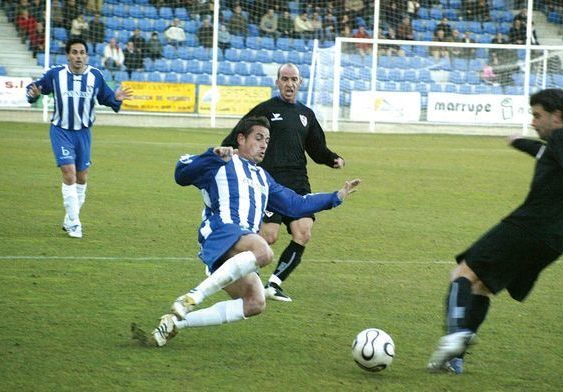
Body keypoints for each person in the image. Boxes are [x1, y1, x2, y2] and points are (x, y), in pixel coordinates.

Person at [131, 117, 360, 347]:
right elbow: (181, 174)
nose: (264, 145)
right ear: (241, 139)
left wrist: (336, 197)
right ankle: (191, 297)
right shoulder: (221, 162)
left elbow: (296, 204)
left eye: (267, 140)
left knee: (255, 303)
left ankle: (173, 325)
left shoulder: (263, 177)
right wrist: (212, 155)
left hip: (238, 251)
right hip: (221, 233)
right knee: (264, 252)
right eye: (258, 138)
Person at [427, 88, 563, 375]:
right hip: (553, 241)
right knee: (483, 286)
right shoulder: (558, 148)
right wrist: (519, 142)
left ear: (556, 116)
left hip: (530, 226)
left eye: (537, 116)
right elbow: (542, 152)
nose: (533, 122)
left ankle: (454, 337)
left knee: (462, 274)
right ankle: (455, 360)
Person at [219, 63, 345, 302]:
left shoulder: (306, 114)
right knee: (268, 236)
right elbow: (239, 135)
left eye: (293, 79)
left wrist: (332, 159)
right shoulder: (264, 110)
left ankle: (274, 284)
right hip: (270, 182)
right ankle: (238, 275)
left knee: (303, 231)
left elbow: (317, 149)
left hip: (298, 181)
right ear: (277, 82)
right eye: (285, 79)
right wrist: (227, 151)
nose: (289, 84)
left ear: (300, 83)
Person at [25, 38, 133, 238]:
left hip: (83, 133)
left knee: (82, 179)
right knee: (69, 174)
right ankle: (75, 223)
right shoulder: (56, 74)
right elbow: (34, 89)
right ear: (68, 55)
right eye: (74, 52)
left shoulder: (95, 76)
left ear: (87, 56)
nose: (78, 56)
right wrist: (33, 94)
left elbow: (107, 98)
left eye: (82, 52)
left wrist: (116, 99)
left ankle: (69, 219)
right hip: (61, 131)